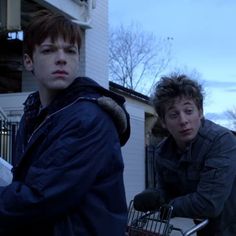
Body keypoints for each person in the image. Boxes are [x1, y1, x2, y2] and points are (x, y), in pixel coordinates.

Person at [0, 9, 130, 236]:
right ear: (29, 61)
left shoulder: (87, 118)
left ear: (78, 59)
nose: (61, 58)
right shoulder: (34, 112)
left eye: (70, 51)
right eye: (49, 50)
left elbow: (40, 197)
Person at [133, 73, 236, 236]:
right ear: (164, 122)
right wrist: (155, 196)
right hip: (206, 229)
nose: (183, 120)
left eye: (189, 111)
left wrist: (166, 207)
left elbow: (209, 203)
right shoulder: (162, 153)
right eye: (174, 115)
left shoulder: (221, 141)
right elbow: (168, 190)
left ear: (200, 112)